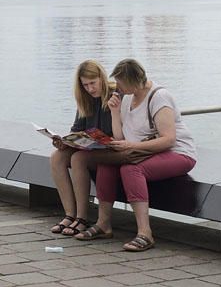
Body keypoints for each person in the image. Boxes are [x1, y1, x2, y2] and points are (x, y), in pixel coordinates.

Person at [75, 59, 197, 252]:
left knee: (131, 169)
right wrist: (115, 113)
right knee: (107, 165)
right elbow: (120, 136)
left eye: (121, 83)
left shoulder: (159, 97)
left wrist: (131, 146)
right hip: (142, 151)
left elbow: (169, 140)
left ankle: (145, 232)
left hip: (177, 153)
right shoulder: (126, 98)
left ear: (133, 81)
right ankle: (103, 223)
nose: (117, 87)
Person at [48, 60, 115, 236]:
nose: (90, 89)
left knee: (78, 158)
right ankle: (70, 214)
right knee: (57, 156)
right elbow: (77, 129)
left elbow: (121, 132)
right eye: (86, 85)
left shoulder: (115, 96)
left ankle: (82, 217)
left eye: (93, 83)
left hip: (111, 148)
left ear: (102, 77)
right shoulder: (85, 99)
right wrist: (65, 142)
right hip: (91, 146)